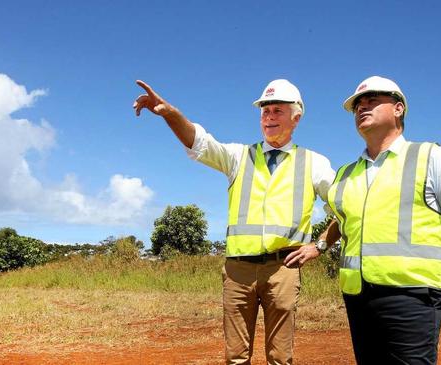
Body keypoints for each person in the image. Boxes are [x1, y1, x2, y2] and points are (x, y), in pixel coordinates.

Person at [133, 79, 335, 365]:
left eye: (278, 110)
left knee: (280, 358)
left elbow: (343, 208)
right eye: (265, 111)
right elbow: (199, 142)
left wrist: (320, 245)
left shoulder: (314, 163)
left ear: (296, 117)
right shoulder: (239, 157)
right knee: (235, 358)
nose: (269, 116)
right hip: (238, 271)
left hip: (283, 269)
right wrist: (170, 114)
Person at [320, 76, 441, 364]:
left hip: (413, 296)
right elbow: (343, 223)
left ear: (398, 108)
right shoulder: (345, 174)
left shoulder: (431, 157)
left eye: (371, 101)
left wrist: (433, 269)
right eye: (357, 105)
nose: (361, 108)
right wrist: (318, 244)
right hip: (357, 295)